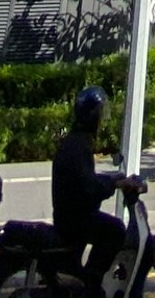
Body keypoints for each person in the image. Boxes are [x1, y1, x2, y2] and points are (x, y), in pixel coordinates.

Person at [52, 85, 127, 295]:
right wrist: (113, 184)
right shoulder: (79, 145)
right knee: (115, 230)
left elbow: (85, 179)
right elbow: (88, 187)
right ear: (92, 116)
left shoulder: (75, 140)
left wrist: (112, 178)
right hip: (75, 219)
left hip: (70, 214)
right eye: (99, 114)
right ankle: (91, 283)